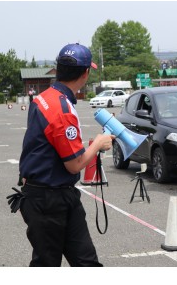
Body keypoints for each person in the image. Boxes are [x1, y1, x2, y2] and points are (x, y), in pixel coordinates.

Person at [18, 43, 115, 267]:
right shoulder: (62, 110)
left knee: (85, 262)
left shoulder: (43, 97)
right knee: (49, 264)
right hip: (49, 199)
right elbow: (75, 165)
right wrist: (98, 143)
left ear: (58, 68)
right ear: (85, 73)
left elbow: (38, 143)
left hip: (48, 194)